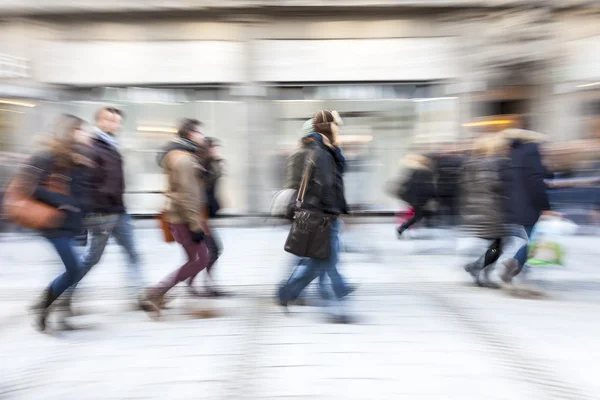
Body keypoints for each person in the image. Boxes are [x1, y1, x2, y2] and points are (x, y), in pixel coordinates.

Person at [60, 107, 144, 316]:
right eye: (109, 120)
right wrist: (94, 210)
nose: (114, 124)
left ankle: (140, 296)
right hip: (102, 213)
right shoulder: (92, 147)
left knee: (133, 253)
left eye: (116, 121)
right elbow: (84, 182)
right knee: (91, 259)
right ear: (99, 121)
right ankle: (65, 293)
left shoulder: (112, 146)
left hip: (119, 210)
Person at [13, 114, 92, 331]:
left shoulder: (79, 157)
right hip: (55, 223)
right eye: (81, 130)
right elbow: (35, 188)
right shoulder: (48, 157)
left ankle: (47, 305)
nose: (86, 133)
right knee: (74, 269)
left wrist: (81, 223)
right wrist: (64, 203)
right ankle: (44, 305)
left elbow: (82, 194)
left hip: (71, 223)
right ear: (70, 132)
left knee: (72, 269)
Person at [277, 110, 354, 323]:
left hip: (324, 212)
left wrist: (337, 148)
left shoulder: (327, 149)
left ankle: (288, 293)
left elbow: (341, 171)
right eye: (336, 125)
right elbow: (326, 185)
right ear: (327, 127)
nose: (339, 129)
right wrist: (332, 210)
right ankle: (337, 304)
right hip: (322, 214)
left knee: (321, 261)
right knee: (325, 260)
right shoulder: (317, 151)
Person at [141, 119, 211, 318]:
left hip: (178, 216)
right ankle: (155, 293)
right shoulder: (185, 160)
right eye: (199, 132)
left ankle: (160, 293)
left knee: (194, 258)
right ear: (189, 134)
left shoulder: (180, 156)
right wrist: (195, 225)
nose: (202, 136)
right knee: (200, 259)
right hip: (184, 218)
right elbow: (187, 195)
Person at [460, 134, 528, 287]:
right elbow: (493, 186)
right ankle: (477, 267)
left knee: (500, 242)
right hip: (492, 209)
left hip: (480, 208)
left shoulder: (472, 163)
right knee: (504, 241)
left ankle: (477, 267)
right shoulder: (490, 164)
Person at [500, 128, 551, 278]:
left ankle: (515, 265)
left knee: (533, 238)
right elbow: (536, 182)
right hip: (530, 204)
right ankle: (514, 263)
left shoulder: (515, 154)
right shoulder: (532, 153)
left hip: (517, 204)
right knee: (535, 240)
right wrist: (545, 207)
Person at [187, 136, 226, 297]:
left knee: (209, 251)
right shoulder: (199, 168)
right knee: (212, 250)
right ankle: (198, 283)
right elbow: (201, 190)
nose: (216, 151)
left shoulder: (211, 166)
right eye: (213, 148)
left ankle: (199, 283)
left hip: (206, 215)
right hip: (198, 215)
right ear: (206, 150)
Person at [395, 154, 436, 238]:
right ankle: (401, 228)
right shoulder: (427, 172)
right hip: (421, 198)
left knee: (419, 215)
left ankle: (402, 228)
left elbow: (408, 184)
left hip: (414, 197)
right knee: (418, 215)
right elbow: (429, 186)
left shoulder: (414, 171)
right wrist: (434, 196)